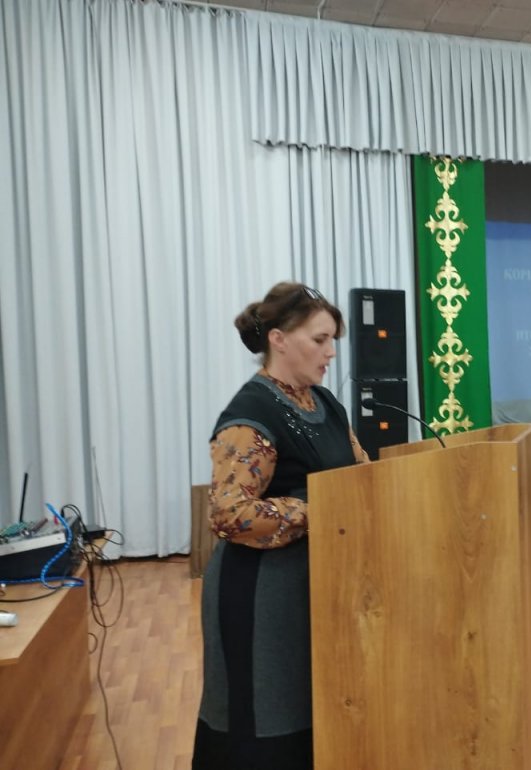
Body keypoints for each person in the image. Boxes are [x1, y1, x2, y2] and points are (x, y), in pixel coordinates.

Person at [192, 282, 370, 770]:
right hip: (261, 598)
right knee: (268, 719)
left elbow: (361, 474)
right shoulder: (251, 413)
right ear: (279, 339)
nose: (331, 352)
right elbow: (229, 513)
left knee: (314, 713)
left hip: (317, 587)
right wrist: (321, 509)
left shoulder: (326, 403)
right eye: (320, 339)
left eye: (333, 340)